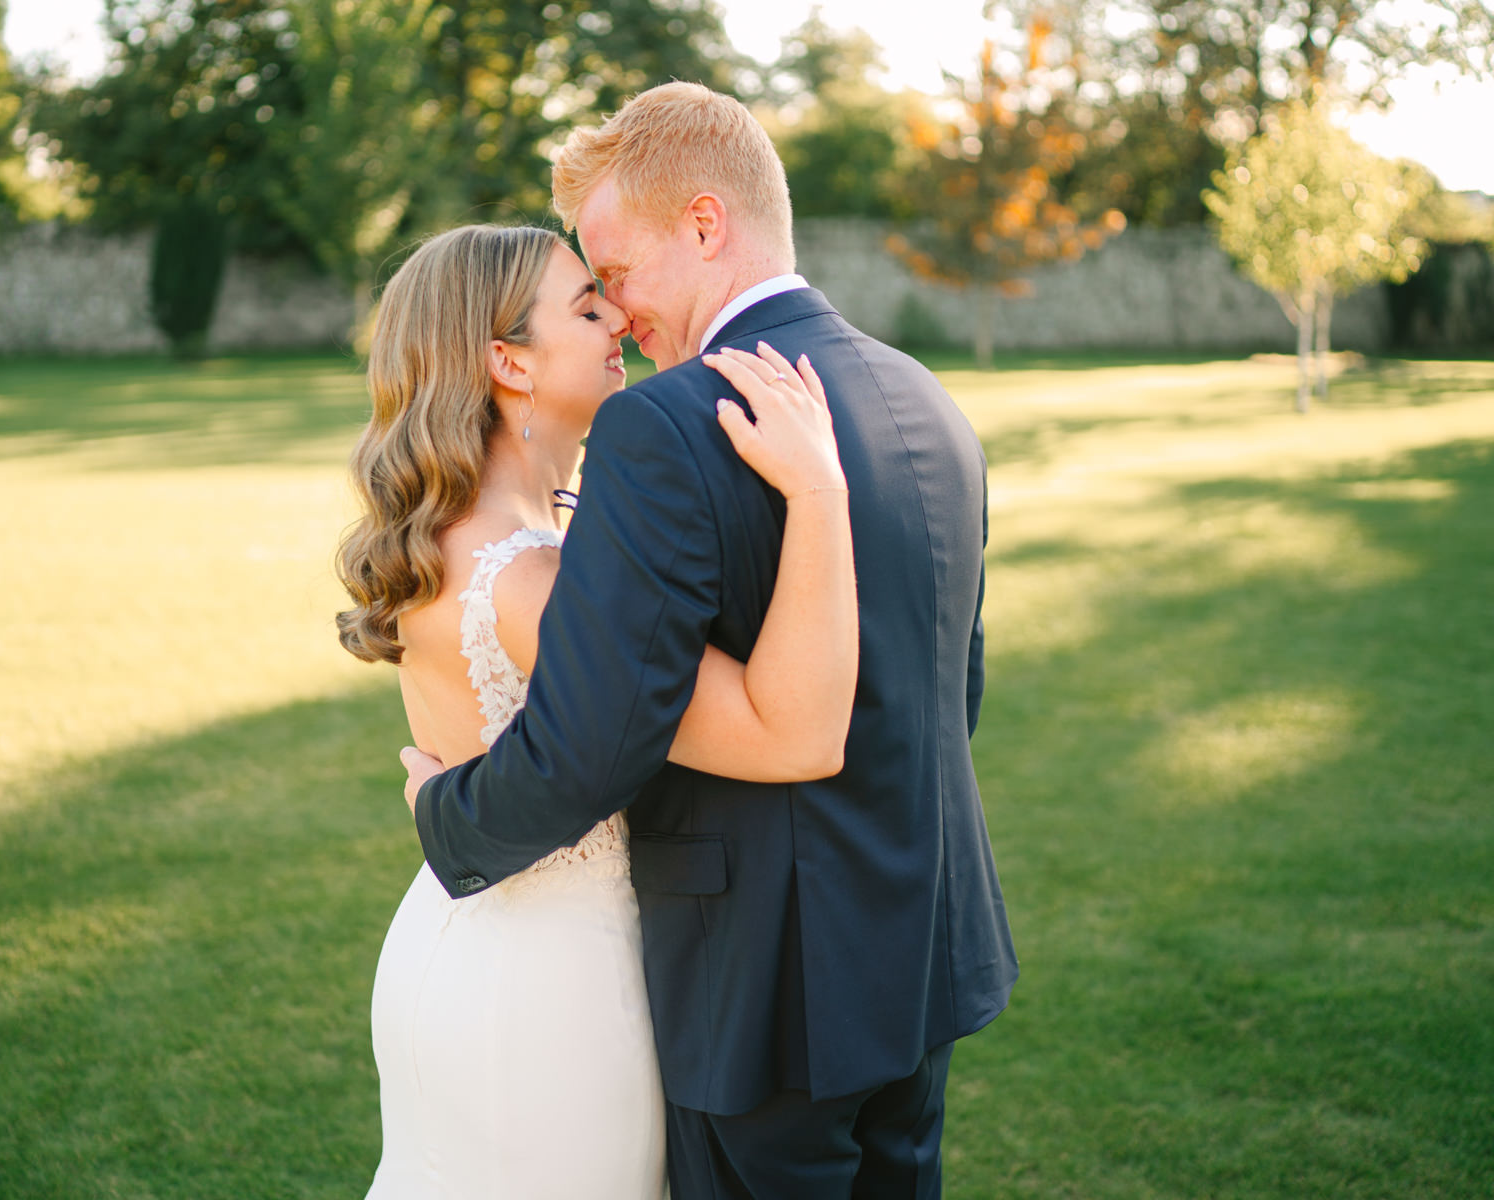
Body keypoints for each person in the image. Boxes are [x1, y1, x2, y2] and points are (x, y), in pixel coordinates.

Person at [404, 82, 1018, 1199]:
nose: (621, 313)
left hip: (765, 989)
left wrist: (443, 813)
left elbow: (598, 735)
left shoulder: (666, 426)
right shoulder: (927, 400)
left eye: (619, 275)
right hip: (922, 948)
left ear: (704, 223)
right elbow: (947, 689)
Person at [336, 222, 860, 1198]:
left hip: (457, 947)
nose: (619, 317)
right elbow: (792, 734)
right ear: (508, 361)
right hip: (553, 995)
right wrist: (818, 495)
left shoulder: (462, 537)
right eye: (585, 309)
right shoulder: (536, 580)